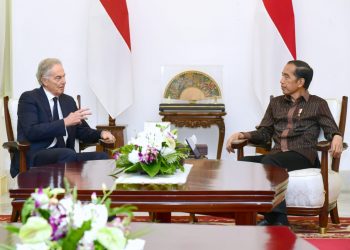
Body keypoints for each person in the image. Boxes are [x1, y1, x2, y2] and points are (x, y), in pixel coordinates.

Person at [226, 60, 343, 226]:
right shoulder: (275, 103)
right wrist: (242, 134)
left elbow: (331, 129)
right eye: (282, 75)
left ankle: (278, 222)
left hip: (302, 156)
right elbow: (264, 133)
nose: (281, 80)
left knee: (269, 162)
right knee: (243, 164)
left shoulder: (318, 104)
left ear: (300, 82)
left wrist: (336, 136)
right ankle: (266, 218)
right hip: (277, 156)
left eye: (286, 76)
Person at [10, 58, 116, 177]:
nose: (64, 81)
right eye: (58, 78)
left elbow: (82, 131)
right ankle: (69, 194)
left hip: (67, 155)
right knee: (67, 154)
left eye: (64, 76)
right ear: (44, 81)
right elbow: (32, 131)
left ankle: (95, 194)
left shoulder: (68, 101)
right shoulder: (29, 98)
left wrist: (101, 134)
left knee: (102, 157)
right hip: (37, 155)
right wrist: (64, 122)